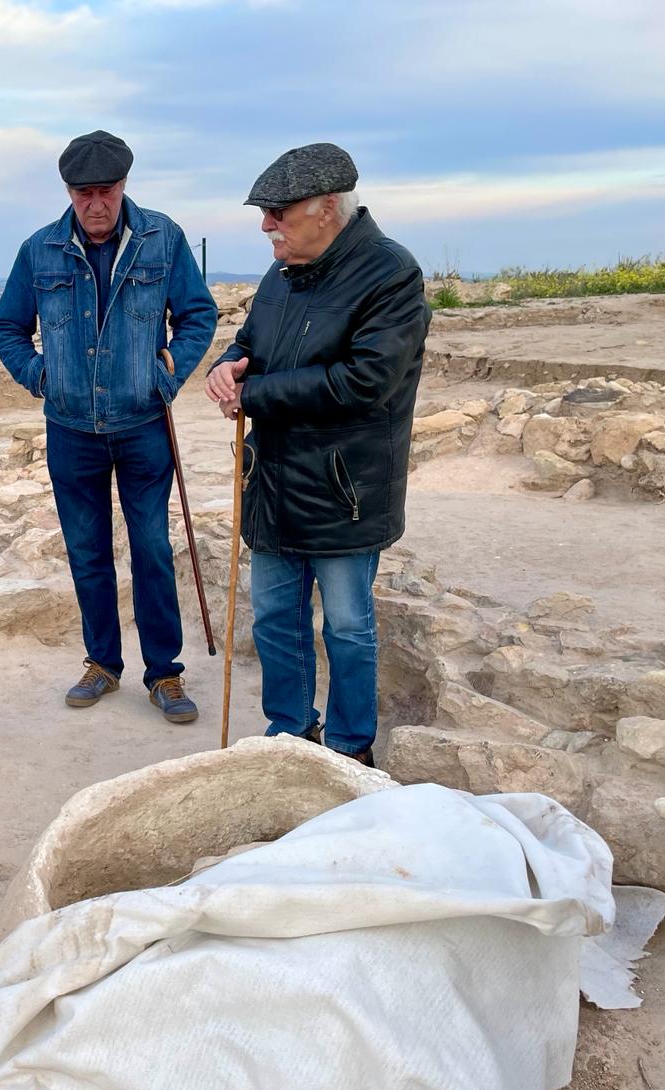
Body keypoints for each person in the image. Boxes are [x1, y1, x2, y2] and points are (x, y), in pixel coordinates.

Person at [204, 142, 430, 766]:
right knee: (275, 618)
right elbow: (249, 342)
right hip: (274, 477)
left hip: (344, 486)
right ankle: (289, 732)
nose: (265, 225)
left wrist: (256, 391)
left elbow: (365, 381)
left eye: (277, 212)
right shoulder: (281, 275)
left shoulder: (391, 274)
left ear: (327, 207)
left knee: (348, 628)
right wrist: (228, 370)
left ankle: (351, 749)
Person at [0, 131, 218, 723]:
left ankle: (165, 672)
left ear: (124, 186)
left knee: (151, 549)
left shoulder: (162, 239)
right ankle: (102, 663)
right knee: (87, 553)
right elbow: (7, 328)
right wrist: (42, 376)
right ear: (68, 191)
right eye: (83, 191)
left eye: (106, 191)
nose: (95, 203)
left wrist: (169, 372)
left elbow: (198, 316)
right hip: (70, 428)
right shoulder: (39, 249)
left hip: (144, 423)